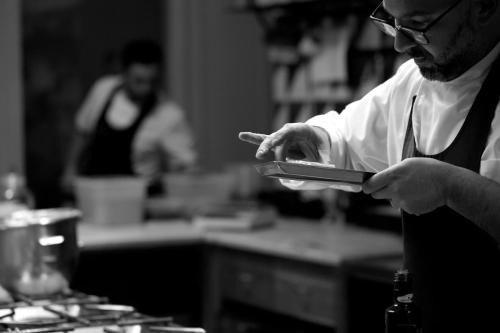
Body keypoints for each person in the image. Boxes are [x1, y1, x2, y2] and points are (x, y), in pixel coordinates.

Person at [240, 0, 500, 331]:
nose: (399, 44)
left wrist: (450, 187)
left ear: (484, 7)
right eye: (393, 23)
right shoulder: (413, 83)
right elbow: (348, 138)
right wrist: (316, 141)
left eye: (418, 24)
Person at [64, 40, 196, 196]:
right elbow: (82, 131)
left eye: (152, 82)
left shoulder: (169, 115)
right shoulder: (103, 89)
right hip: (94, 193)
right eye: (139, 81)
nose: (146, 89)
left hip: (137, 199)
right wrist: (70, 170)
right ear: (123, 73)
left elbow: (185, 165)